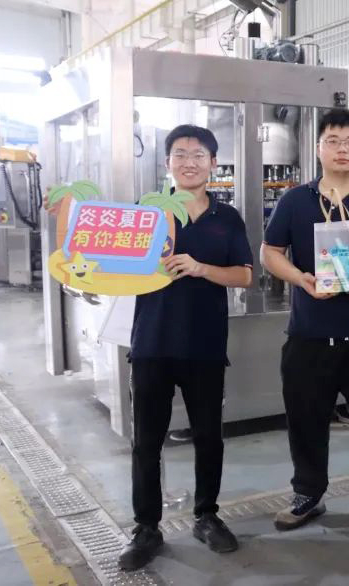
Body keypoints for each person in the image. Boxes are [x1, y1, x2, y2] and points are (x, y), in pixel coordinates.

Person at [260, 108, 349, 535]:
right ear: (318, 148)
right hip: (309, 333)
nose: (343, 149)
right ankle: (307, 493)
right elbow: (270, 252)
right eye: (333, 141)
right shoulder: (295, 201)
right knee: (305, 420)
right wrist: (300, 279)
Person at [120, 125, 253, 570]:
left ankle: (207, 515)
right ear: (167, 163)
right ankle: (146, 527)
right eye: (180, 154)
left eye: (199, 155)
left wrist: (201, 268)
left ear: (213, 163)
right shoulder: (147, 212)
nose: (189, 162)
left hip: (204, 345)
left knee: (209, 436)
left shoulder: (227, 218)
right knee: (146, 441)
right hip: (151, 343)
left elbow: (244, 275)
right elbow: (111, 263)